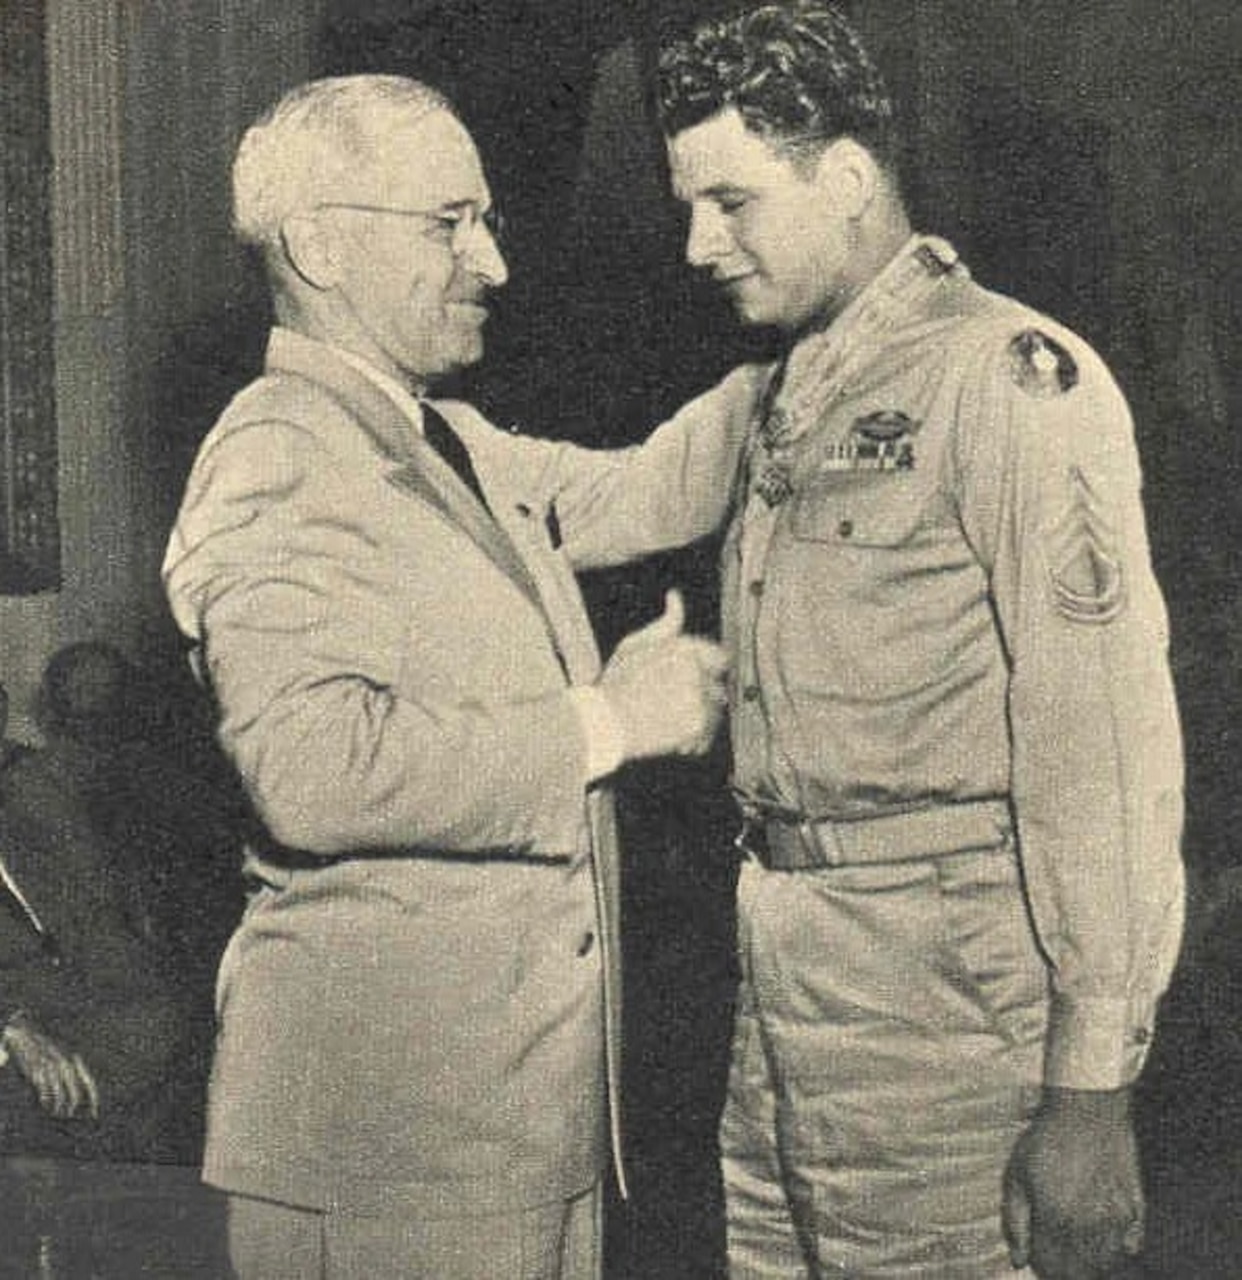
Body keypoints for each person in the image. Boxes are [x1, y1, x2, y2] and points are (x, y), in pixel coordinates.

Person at [486, 3, 1185, 1275]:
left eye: (733, 203)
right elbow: (595, 503)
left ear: (850, 177)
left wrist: (1091, 1091)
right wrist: (374, 432)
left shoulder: (1009, 380)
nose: (699, 244)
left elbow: (1111, 753)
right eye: (689, 205)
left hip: (953, 1014)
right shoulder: (778, 390)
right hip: (788, 1001)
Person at [161, 75, 730, 1280]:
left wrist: (839, 323)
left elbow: (645, 490)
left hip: (507, 1129)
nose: (494, 263)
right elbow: (313, 772)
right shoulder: (277, 452)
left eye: (489, 222)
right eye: (448, 223)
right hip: (390, 1145)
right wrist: (608, 721)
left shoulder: (443, 438)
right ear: (318, 243)